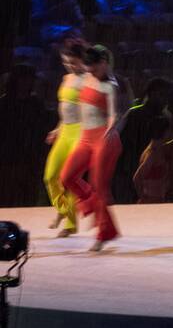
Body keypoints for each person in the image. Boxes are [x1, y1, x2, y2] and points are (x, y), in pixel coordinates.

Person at [60, 45, 123, 252]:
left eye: (94, 69)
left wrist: (112, 126)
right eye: (88, 69)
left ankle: (103, 234)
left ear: (104, 64)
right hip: (85, 137)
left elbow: (114, 113)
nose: (90, 73)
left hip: (103, 137)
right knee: (67, 177)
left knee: (99, 186)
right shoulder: (86, 75)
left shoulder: (109, 86)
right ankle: (92, 206)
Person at [43, 40, 86, 237]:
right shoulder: (66, 78)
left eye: (73, 62)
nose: (70, 66)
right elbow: (65, 109)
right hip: (65, 131)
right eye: (66, 62)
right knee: (50, 176)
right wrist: (57, 129)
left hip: (81, 132)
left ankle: (70, 224)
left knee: (69, 179)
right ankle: (63, 211)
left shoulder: (88, 79)